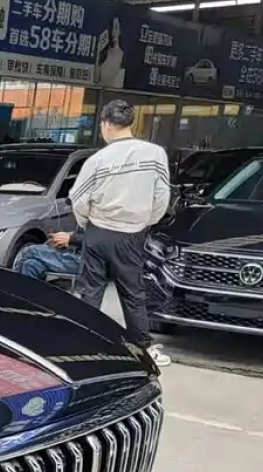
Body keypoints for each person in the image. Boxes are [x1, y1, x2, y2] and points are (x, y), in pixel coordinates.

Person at [69, 99, 173, 368]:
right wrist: (145, 222)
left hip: (98, 232)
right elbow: (162, 196)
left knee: (91, 291)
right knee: (133, 293)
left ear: (105, 124)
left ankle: (84, 345)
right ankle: (143, 349)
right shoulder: (155, 154)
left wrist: (86, 224)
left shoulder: (97, 159)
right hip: (132, 234)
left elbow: (78, 198)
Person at [13, 231, 82, 283]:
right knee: (30, 264)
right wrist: (68, 235)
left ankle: (14, 289)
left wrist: (71, 239)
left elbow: (87, 242)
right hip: (74, 254)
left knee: (30, 251)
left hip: (82, 262)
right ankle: (29, 295)